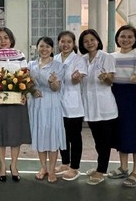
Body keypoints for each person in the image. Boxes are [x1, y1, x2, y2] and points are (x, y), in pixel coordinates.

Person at [0, 27, 31, 182]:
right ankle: (2, 166)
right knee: (0, 134)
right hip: (0, 101)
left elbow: (25, 75)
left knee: (15, 134)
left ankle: (14, 165)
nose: (3, 41)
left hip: (17, 100)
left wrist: (24, 93)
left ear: (11, 39)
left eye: (6, 37)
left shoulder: (20, 55)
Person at [109, 25, 136, 188]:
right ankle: (123, 168)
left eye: (130, 37)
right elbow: (108, 77)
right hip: (115, 95)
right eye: (123, 36)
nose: (126, 40)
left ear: (135, 39)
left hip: (133, 96)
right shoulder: (111, 56)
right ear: (117, 38)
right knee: (121, 132)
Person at [79, 29, 118, 186]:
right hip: (89, 106)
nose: (89, 43)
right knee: (97, 139)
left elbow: (110, 81)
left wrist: (106, 77)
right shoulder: (82, 59)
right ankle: (99, 167)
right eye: (86, 41)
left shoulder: (107, 57)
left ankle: (101, 170)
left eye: (92, 39)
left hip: (104, 106)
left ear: (98, 41)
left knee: (104, 141)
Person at [28, 37, 66, 183]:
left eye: (48, 47)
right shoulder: (31, 65)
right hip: (36, 104)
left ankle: (52, 170)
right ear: (37, 47)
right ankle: (43, 167)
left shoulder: (58, 66)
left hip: (52, 104)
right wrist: (32, 91)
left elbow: (57, 88)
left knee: (52, 135)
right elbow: (27, 84)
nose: (44, 49)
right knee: (40, 135)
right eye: (41, 46)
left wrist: (52, 83)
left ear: (52, 49)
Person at [53, 31, 85, 181]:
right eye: (62, 41)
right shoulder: (55, 59)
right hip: (58, 104)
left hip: (73, 105)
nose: (65, 44)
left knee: (74, 137)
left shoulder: (78, 60)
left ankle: (74, 167)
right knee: (62, 136)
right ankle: (65, 163)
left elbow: (78, 78)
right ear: (58, 42)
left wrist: (76, 77)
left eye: (69, 42)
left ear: (73, 44)